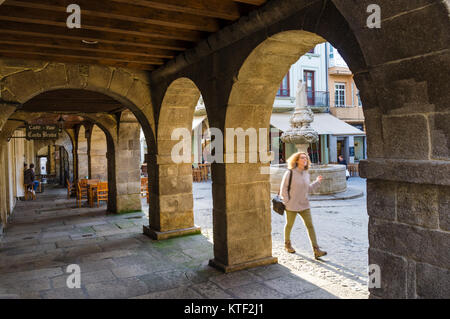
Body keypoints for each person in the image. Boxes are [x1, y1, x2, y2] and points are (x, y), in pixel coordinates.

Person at [280, 152, 327, 259]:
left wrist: (317, 182)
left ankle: (316, 250)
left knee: (310, 226)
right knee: (289, 225)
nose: (304, 159)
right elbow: (283, 189)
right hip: (291, 205)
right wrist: (287, 202)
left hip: (304, 204)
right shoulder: (290, 172)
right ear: (296, 160)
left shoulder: (306, 173)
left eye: (306, 158)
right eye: (302, 158)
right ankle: (287, 244)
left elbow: (308, 189)